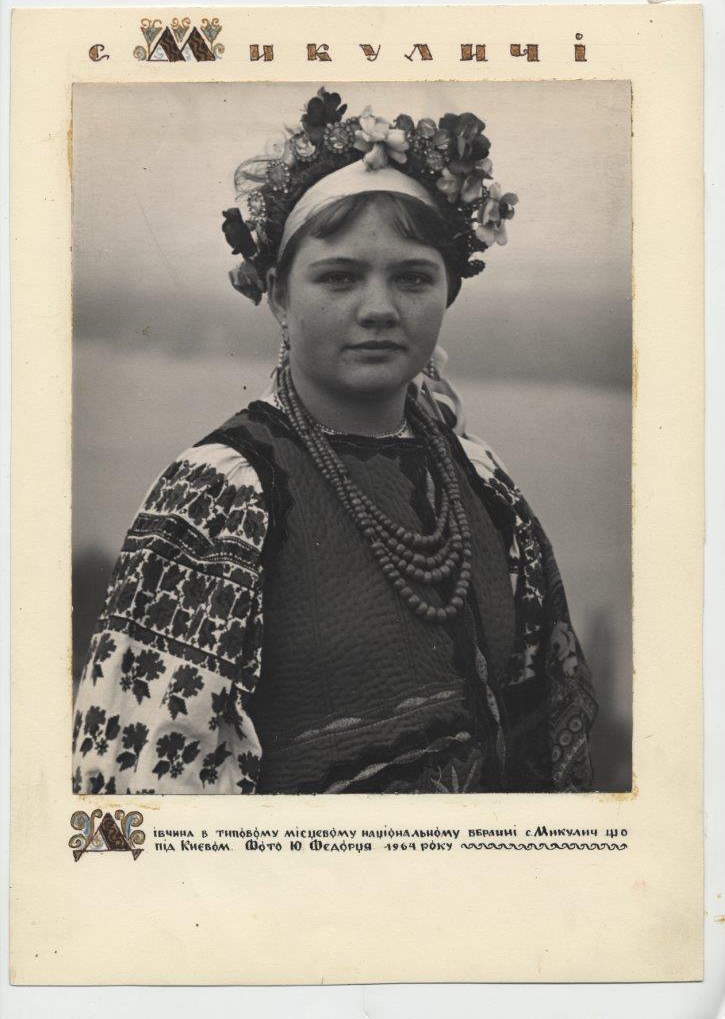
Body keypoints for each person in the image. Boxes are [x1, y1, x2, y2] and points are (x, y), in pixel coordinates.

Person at [72, 88, 597, 795]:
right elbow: (143, 797)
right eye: (340, 277)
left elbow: (544, 739)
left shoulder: (478, 475)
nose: (379, 308)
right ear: (278, 295)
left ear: (448, 291)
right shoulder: (221, 497)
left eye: (412, 278)